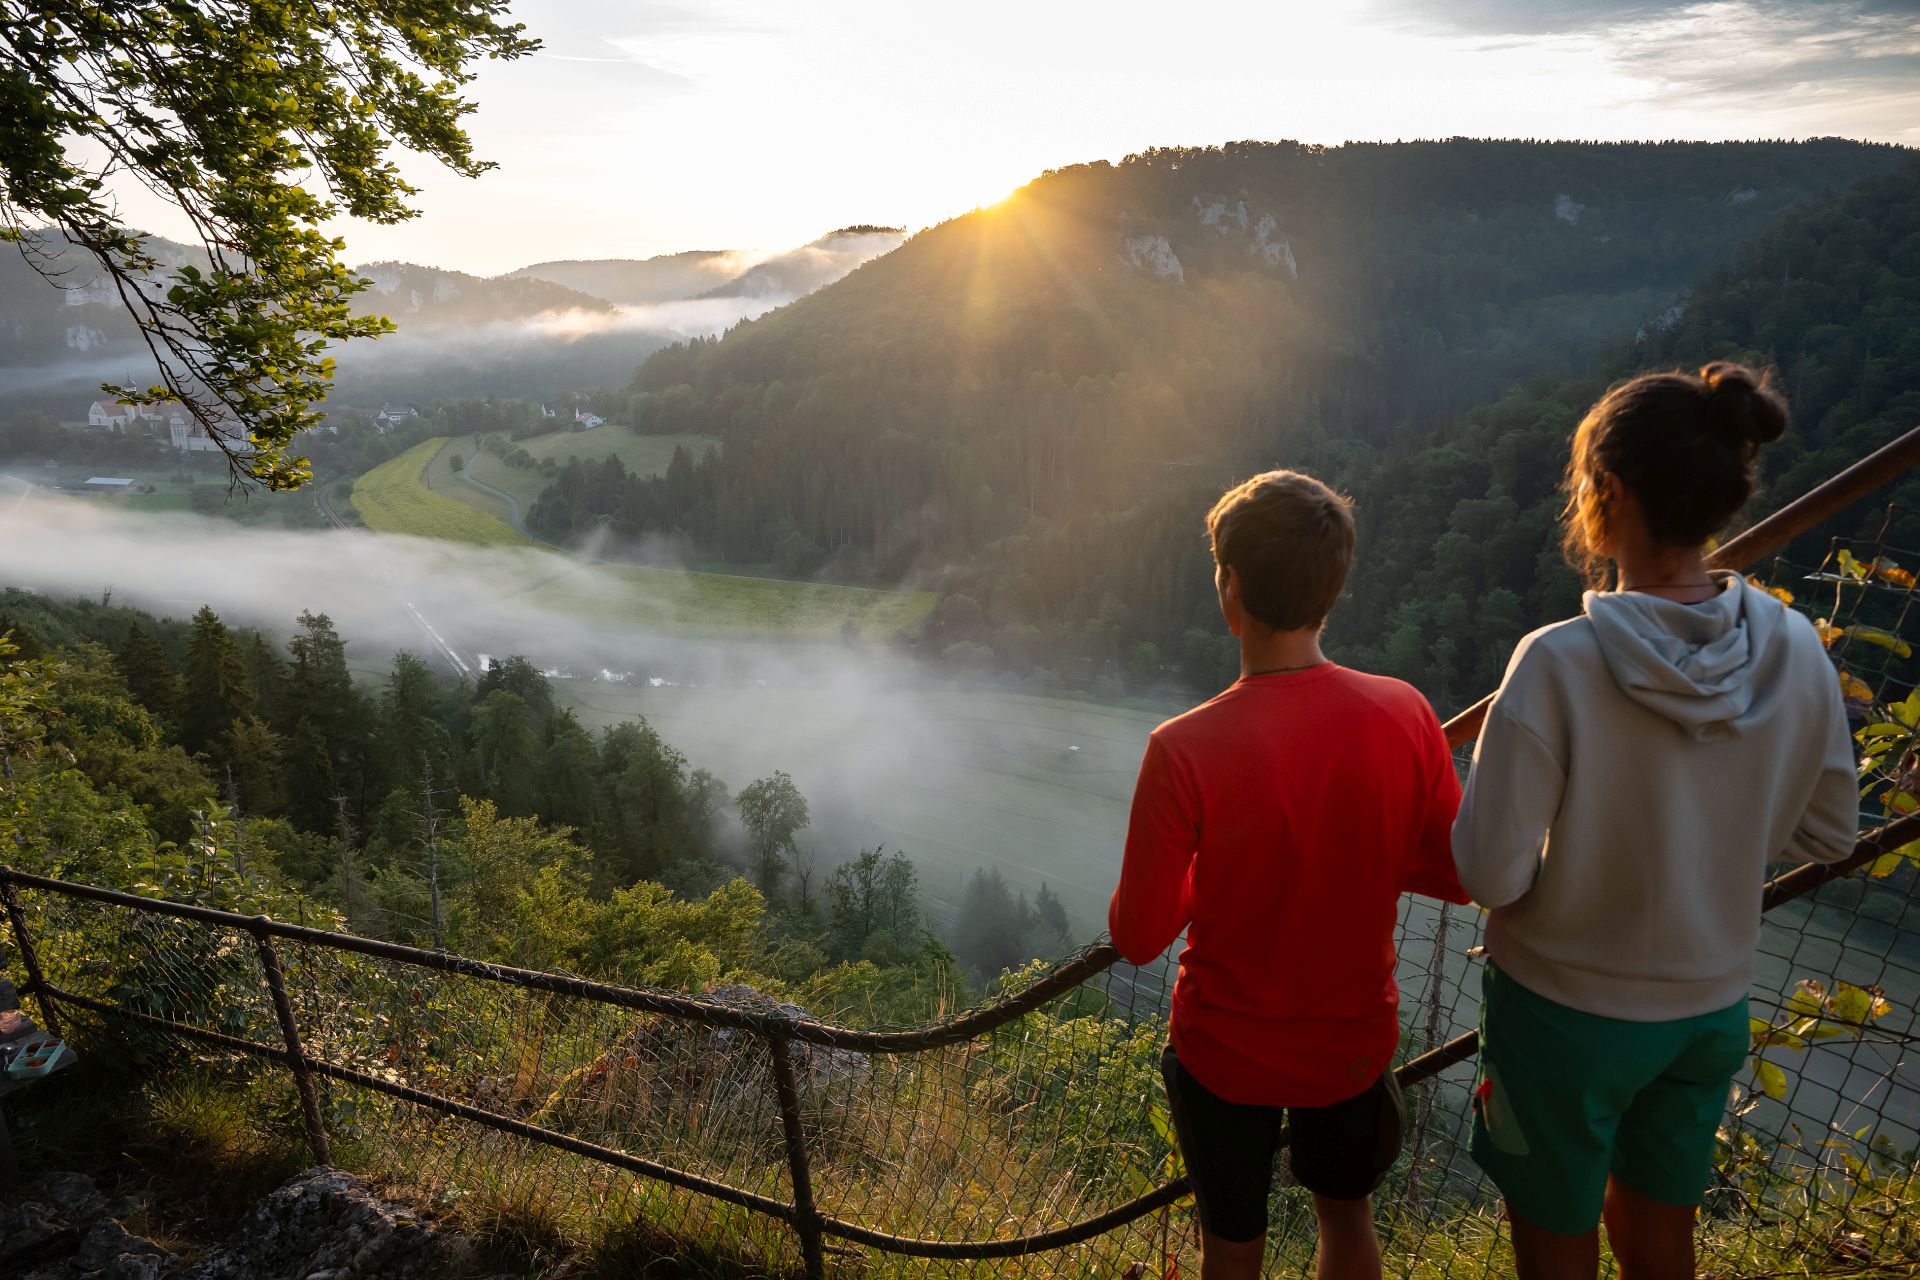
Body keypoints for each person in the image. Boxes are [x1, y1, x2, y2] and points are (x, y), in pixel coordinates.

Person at [1452, 362, 1859, 1280]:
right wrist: (1723, 834)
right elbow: (1832, 832)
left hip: (1561, 1016)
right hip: (1707, 1005)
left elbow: (1489, 874)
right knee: (1661, 1235)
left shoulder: (1558, 662)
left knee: (1555, 1238)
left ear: (1612, 492)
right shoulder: (1794, 647)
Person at [1108, 470, 1468, 1280]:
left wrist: (1207, 872)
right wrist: (1358, 853)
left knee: (1232, 1247)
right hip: (1350, 1046)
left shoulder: (1182, 747)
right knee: (1347, 1220)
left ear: (1229, 586)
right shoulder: (1405, 712)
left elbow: (1137, 937)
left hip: (1223, 1054)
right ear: (1332, 589)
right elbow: (1458, 871)